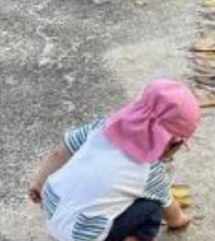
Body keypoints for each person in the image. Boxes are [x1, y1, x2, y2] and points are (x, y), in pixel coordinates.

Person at [28, 79, 198, 241]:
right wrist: (181, 220)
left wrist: (38, 181)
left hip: (51, 206)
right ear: (170, 144)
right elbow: (172, 214)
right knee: (153, 209)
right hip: (80, 235)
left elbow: (59, 153)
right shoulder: (149, 171)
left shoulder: (100, 127)